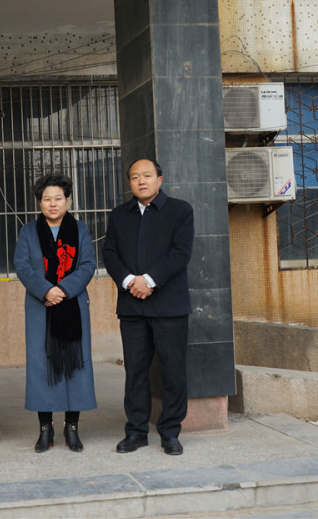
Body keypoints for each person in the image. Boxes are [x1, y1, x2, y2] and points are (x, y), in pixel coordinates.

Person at [102, 159, 194, 456]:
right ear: (129, 183)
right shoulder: (118, 216)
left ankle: (170, 432)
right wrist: (130, 281)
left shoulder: (180, 211)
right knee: (135, 372)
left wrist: (150, 281)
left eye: (147, 176)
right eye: (134, 177)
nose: (141, 181)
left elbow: (180, 253)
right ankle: (137, 431)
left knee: (173, 371)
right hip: (132, 308)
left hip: (170, 307)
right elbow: (110, 253)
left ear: (160, 179)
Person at [13, 174, 97, 453]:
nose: (52, 203)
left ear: (68, 200)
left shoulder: (81, 230)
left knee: (76, 366)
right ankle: (45, 429)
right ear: (40, 202)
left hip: (72, 306)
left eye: (58, 198)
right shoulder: (27, 232)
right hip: (41, 308)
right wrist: (46, 291)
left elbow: (87, 265)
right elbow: (22, 267)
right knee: (42, 367)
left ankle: (71, 428)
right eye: (46, 199)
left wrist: (62, 290)